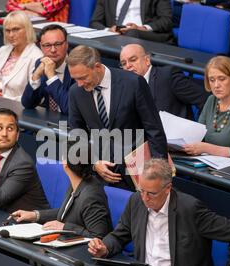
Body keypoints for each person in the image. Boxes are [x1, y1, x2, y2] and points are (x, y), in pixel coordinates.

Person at [88, 158, 230, 266]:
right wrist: (105, 247)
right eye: (141, 190)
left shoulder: (190, 209)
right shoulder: (136, 201)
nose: (145, 198)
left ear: (168, 189)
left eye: (151, 193)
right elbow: (119, 235)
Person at [68, 45, 168, 191]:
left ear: (97, 67)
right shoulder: (76, 92)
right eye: (75, 79)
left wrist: (159, 174)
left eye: (83, 78)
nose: (79, 84)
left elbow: (154, 129)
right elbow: (77, 135)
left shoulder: (133, 83)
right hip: (101, 175)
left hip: (137, 171)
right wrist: (94, 163)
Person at [10, 142, 113, 238]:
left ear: (66, 165)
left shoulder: (91, 196)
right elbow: (67, 213)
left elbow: (98, 237)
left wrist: (65, 227)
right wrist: (34, 215)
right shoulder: (77, 182)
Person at [120, 44, 209, 119]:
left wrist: (199, 130)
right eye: (124, 63)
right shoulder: (126, 87)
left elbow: (204, 100)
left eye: (133, 60)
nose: (128, 66)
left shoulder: (168, 76)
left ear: (147, 60)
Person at [0, 11, 42, 101]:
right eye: (7, 30)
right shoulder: (2, 50)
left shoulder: (36, 57)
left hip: (11, 106)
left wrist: (1, 100)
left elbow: (31, 96)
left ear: (27, 29)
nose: (11, 35)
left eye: (15, 29)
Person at [21, 24, 74, 114]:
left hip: (70, 124)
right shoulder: (41, 63)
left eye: (57, 44)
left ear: (66, 44)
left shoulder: (76, 67)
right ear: (41, 46)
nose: (53, 50)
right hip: (49, 121)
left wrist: (51, 76)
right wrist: (36, 76)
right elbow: (28, 104)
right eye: (47, 45)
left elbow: (68, 109)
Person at [90, 0, 173, 43]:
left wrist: (143, 28)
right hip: (115, 35)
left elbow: (167, 20)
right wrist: (108, 30)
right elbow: (95, 22)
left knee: (132, 33)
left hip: (145, 34)